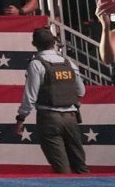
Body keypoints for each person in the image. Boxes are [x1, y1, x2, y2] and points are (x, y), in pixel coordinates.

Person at [15, 28, 89, 174]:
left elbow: (30, 97)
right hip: (71, 118)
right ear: (54, 42)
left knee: (62, 169)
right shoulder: (69, 63)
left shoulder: (36, 64)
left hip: (49, 118)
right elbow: (81, 92)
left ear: (34, 43)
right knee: (80, 167)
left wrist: (21, 118)